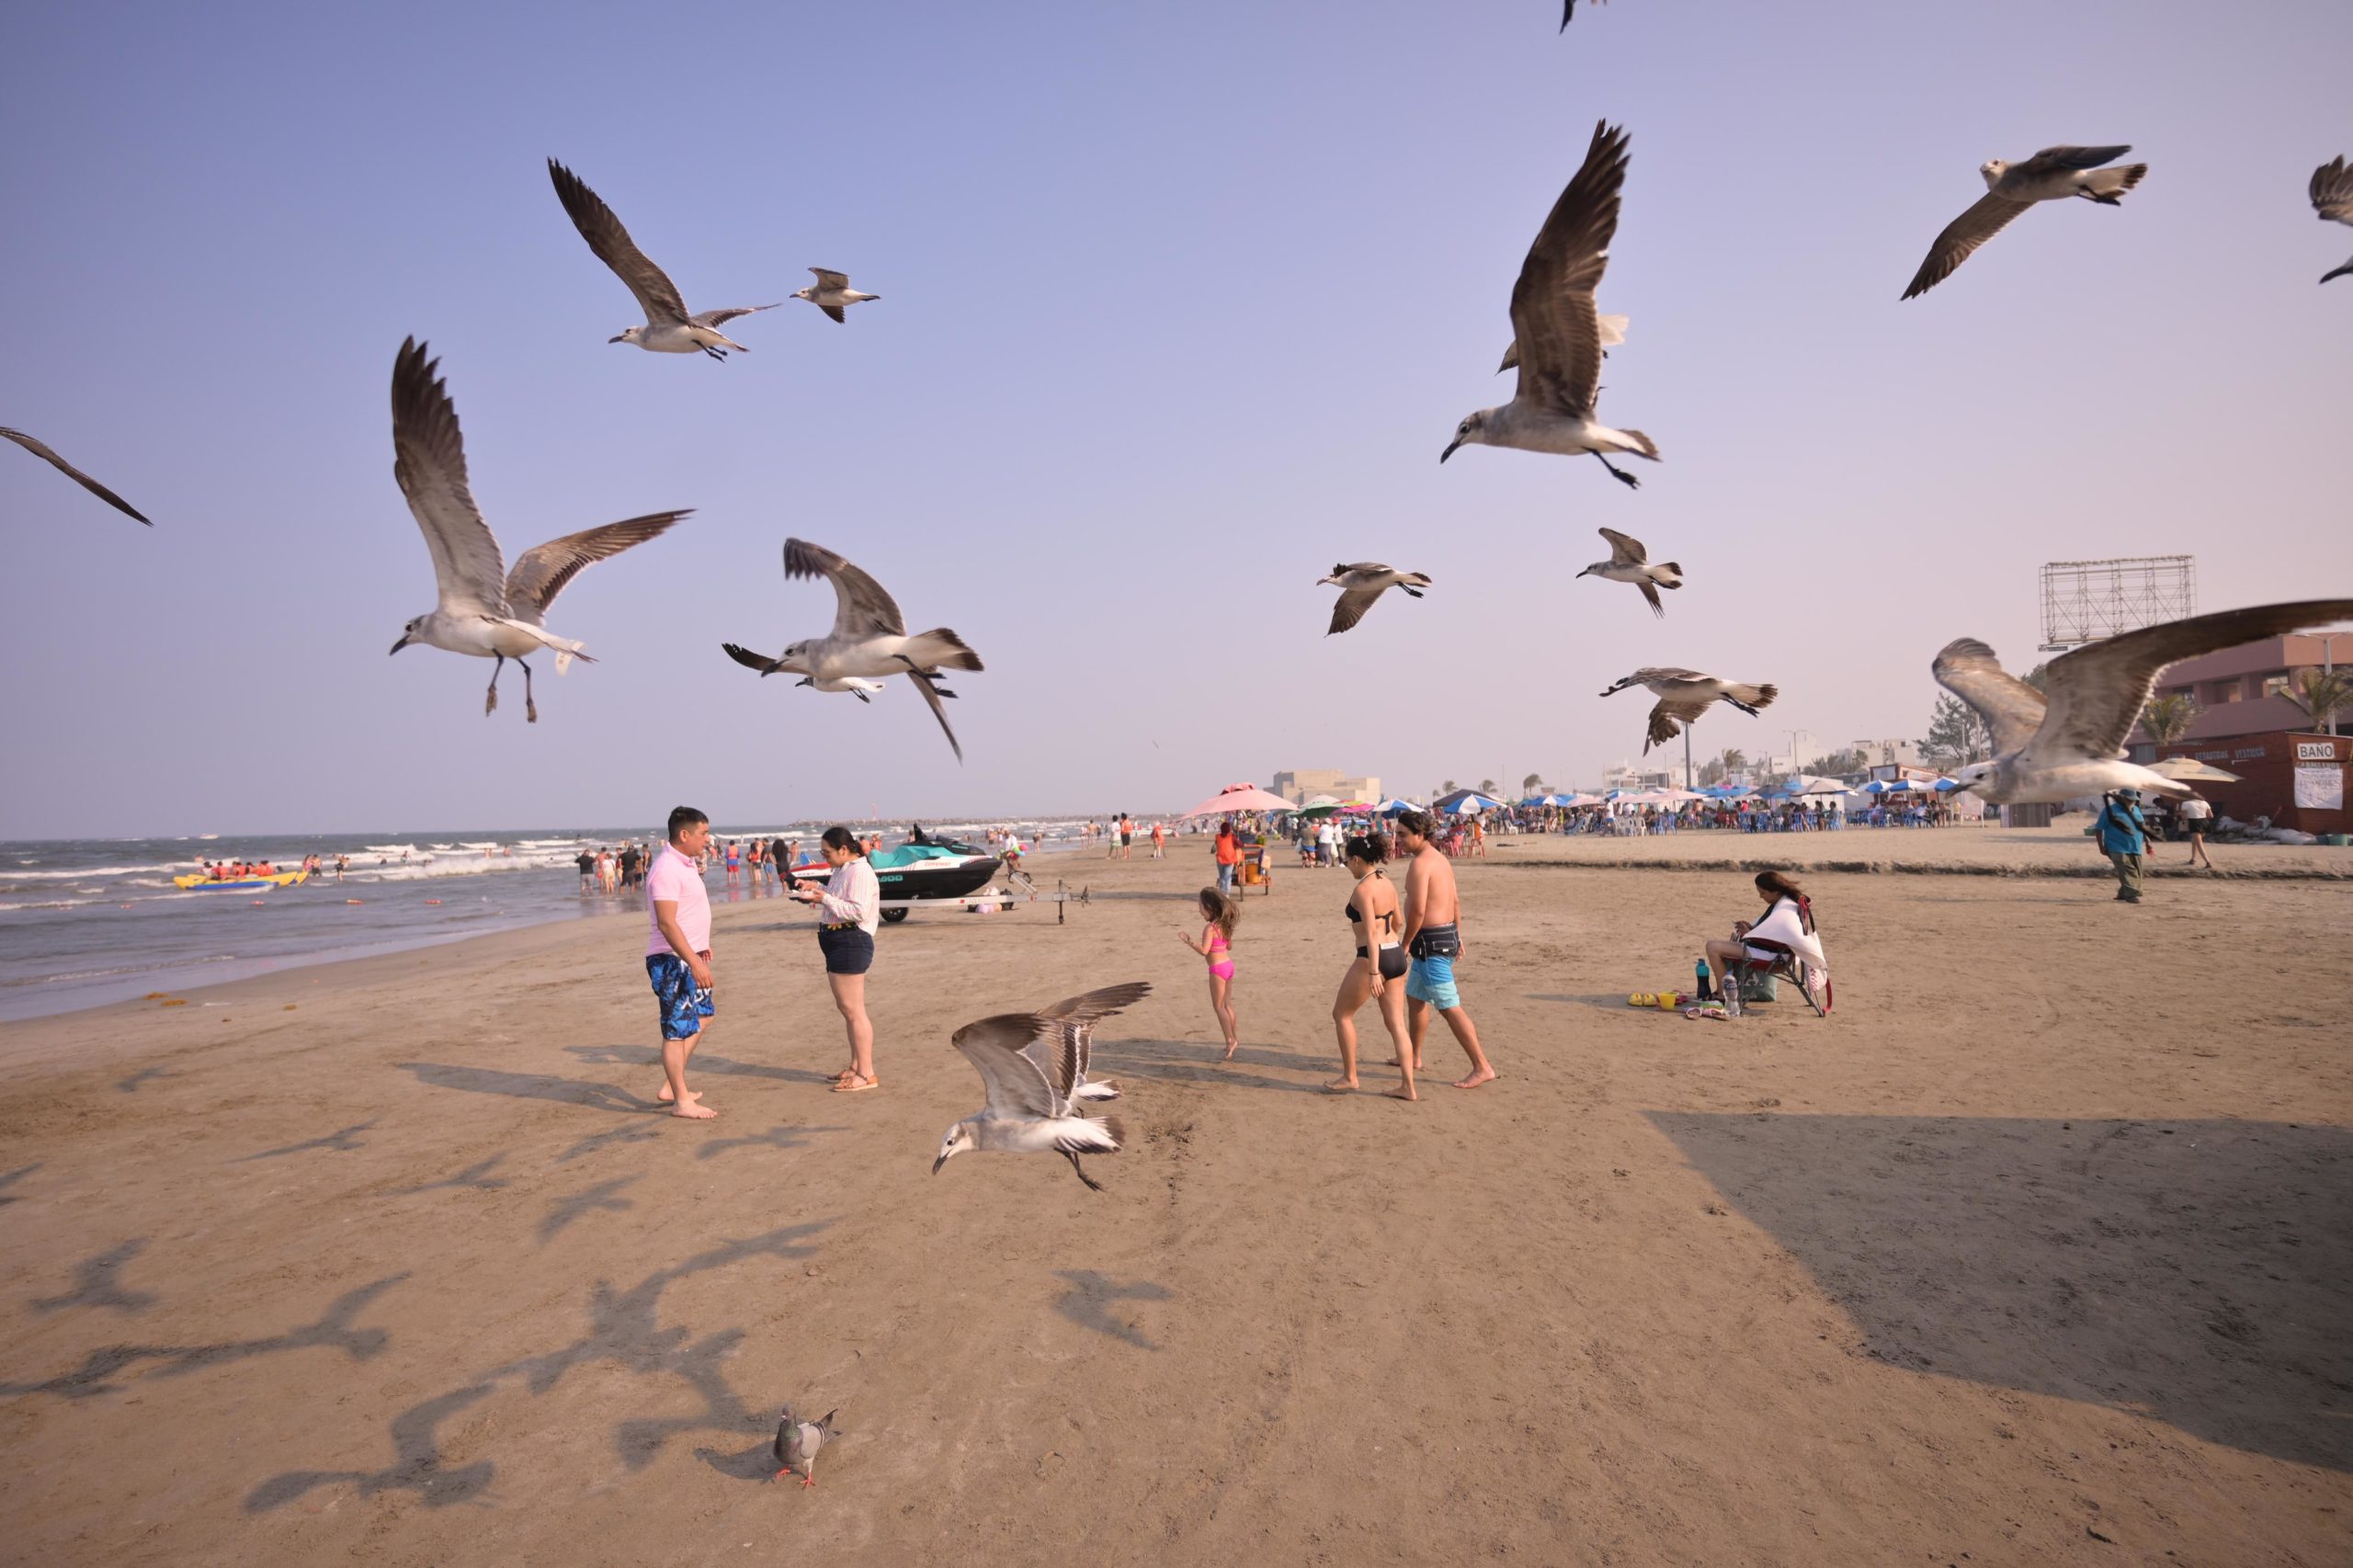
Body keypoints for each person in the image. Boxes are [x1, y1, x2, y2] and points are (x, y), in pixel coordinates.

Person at [1394, 811, 1496, 1088]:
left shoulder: (1421, 865)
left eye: (1403, 834)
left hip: (1430, 945)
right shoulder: (1440, 860)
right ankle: (1414, 1056)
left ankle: (1482, 1066)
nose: (1398, 839)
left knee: (1450, 1007)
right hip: (1442, 937)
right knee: (1415, 998)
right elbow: (1455, 901)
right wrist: (1457, 936)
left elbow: (1417, 910)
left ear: (1419, 834)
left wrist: (1404, 946)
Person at [793, 824, 882, 1092]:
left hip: (851, 940)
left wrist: (824, 899)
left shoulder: (861, 872)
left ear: (845, 849)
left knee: (854, 1011)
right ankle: (856, 1066)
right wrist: (817, 887)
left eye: (827, 853)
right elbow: (839, 896)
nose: (826, 857)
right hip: (838, 939)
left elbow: (857, 910)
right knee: (848, 1010)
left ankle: (866, 1074)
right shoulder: (844, 869)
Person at [1328, 833, 1415, 1099]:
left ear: (1355, 860)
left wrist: (1375, 971)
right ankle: (1408, 1087)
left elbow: (1371, 933)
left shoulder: (1363, 889)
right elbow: (1398, 921)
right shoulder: (1386, 881)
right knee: (1397, 1024)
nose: (1347, 867)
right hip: (1396, 954)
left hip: (1372, 956)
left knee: (1341, 1015)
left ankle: (1350, 1077)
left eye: (1346, 862)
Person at [646, 805, 719, 1119]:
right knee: (675, 1031)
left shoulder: (686, 864)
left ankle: (672, 1086)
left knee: (704, 1016)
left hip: (689, 956)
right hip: (671, 960)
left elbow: (688, 914)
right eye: (703, 833)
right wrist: (693, 959)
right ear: (684, 834)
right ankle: (681, 1101)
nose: (708, 839)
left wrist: (700, 947)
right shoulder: (665, 869)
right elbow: (667, 923)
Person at [1699, 870, 1827, 1015]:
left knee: (1712, 947)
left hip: (1771, 955)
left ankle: (1722, 996)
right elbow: (1776, 932)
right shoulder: (1786, 902)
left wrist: (1749, 934)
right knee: (1719, 944)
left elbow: (1778, 936)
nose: (1760, 896)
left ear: (1776, 891)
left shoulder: (1784, 909)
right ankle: (1722, 992)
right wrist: (1752, 929)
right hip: (1772, 951)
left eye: (1763, 893)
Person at [1179, 886, 1242, 1061]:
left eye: (1200, 907)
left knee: (1219, 1007)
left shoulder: (1209, 928)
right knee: (1228, 1005)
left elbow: (1204, 951)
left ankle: (1230, 1040)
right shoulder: (1224, 925)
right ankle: (1234, 1037)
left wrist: (1188, 941)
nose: (1199, 911)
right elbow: (1229, 946)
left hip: (1218, 970)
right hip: (1228, 965)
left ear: (1210, 908)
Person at [2096, 788, 2149, 903]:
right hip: (2116, 847)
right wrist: (2101, 847)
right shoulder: (2109, 811)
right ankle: (2131, 895)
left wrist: (2148, 842)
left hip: (2135, 847)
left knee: (2137, 872)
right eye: (2130, 800)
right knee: (2128, 870)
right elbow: (2098, 829)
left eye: (2134, 800)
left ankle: (2123, 893)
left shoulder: (2136, 810)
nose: (2132, 802)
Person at [2177, 790, 2215, 869]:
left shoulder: (2185, 803)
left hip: (2194, 823)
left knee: (2199, 844)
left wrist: (2180, 814)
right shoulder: (2204, 803)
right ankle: (2193, 859)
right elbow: (2211, 816)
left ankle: (2208, 862)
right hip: (2205, 823)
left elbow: (2184, 817)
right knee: (2194, 842)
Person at [1213, 819, 1241, 894]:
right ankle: (1227, 893)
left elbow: (1217, 844)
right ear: (1229, 829)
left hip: (1220, 859)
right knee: (1228, 876)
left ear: (1221, 829)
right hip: (1230, 859)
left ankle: (1222, 892)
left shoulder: (1217, 837)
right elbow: (1240, 844)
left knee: (1222, 876)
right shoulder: (1232, 837)